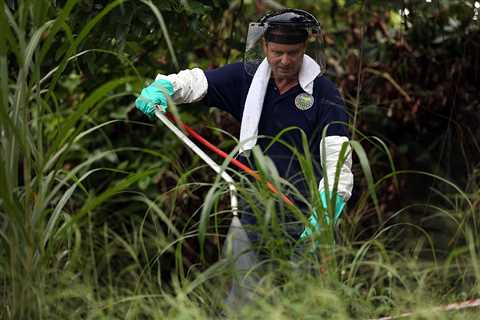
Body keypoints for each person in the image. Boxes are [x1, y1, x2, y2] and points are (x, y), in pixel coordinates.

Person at [135, 7, 353, 302]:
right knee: (244, 302)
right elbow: (198, 83)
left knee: (305, 304)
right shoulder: (247, 80)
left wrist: (324, 215)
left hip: (306, 220)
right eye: (277, 52)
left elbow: (338, 157)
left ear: (305, 49)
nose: (285, 61)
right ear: (264, 46)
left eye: (293, 52)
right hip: (252, 214)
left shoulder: (324, 93)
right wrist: (164, 87)